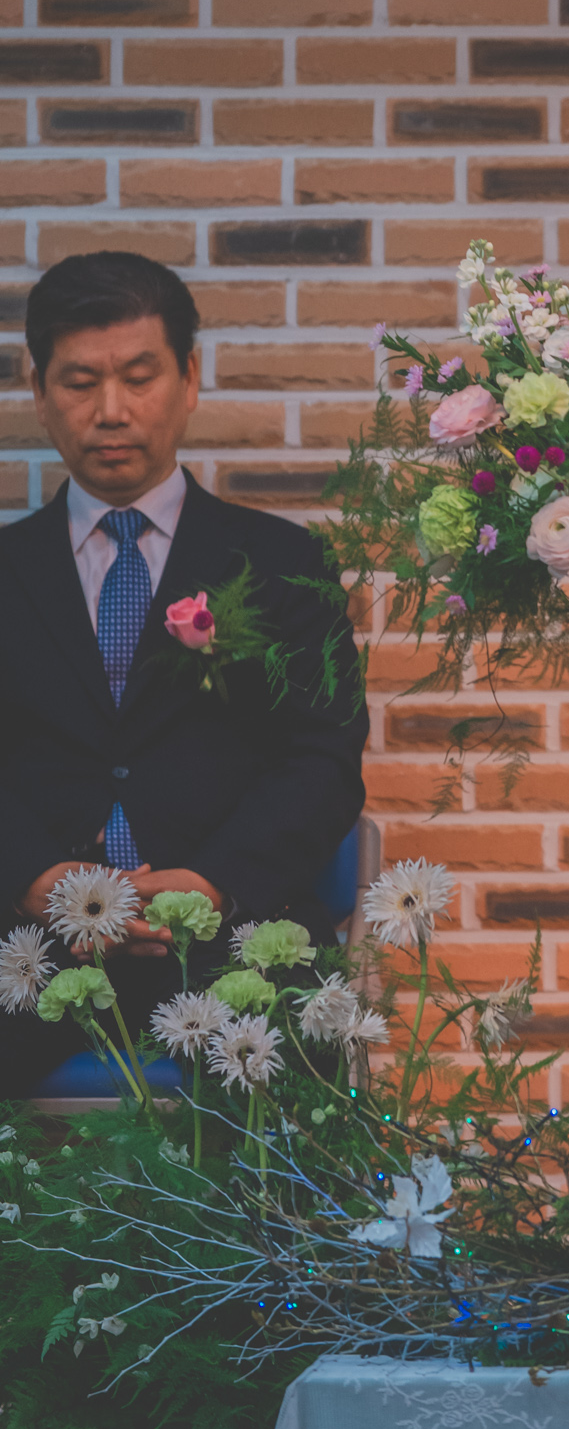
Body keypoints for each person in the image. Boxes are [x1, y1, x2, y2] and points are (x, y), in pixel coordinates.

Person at [0, 252, 368, 1098]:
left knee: (294, 1094)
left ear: (190, 378)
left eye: (139, 377)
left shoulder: (283, 564)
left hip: (235, 932)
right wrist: (38, 882)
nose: (111, 410)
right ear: (38, 389)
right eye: (80, 381)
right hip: (26, 940)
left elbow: (322, 759)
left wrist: (211, 884)